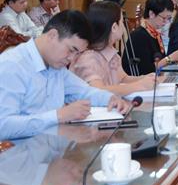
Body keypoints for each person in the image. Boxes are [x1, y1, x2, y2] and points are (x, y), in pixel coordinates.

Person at [0, 10, 130, 140]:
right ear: (52, 35)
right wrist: (58, 116)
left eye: (77, 53)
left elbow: (84, 92)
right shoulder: (12, 65)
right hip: (22, 150)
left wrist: (111, 99)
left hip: (54, 144)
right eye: (71, 50)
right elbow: (3, 126)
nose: (72, 58)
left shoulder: (56, 66)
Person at [71, 1, 160, 96]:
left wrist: (145, 78)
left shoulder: (111, 53)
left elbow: (123, 79)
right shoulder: (88, 58)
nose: (123, 26)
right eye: (121, 22)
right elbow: (98, 91)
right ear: (114, 27)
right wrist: (139, 85)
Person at [122, 0, 178, 75]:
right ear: (151, 14)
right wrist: (171, 58)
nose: (166, 22)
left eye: (169, 18)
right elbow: (146, 70)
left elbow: (160, 62)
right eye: (164, 18)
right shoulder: (139, 36)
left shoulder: (155, 33)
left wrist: (177, 58)